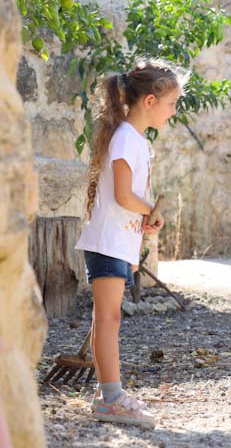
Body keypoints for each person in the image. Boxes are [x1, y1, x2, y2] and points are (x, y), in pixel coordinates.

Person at [75, 59, 187, 428]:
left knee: (109, 317)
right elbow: (124, 195)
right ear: (150, 101)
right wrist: (151, 211)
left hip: (116, 241)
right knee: (108, 317)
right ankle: (111, 397)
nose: (173, 112)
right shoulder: (126, 138)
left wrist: (143, 222)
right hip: (107, 241)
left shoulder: (134, 139)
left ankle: (106, 392)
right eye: (171, 104)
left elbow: (126, 199)